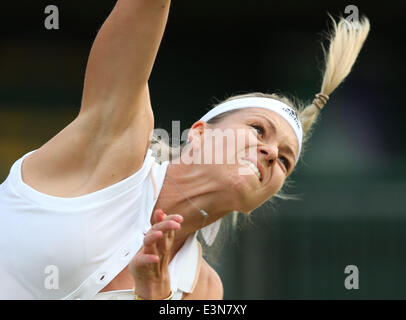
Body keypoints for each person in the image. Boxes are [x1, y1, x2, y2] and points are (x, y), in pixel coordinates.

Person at [0, 1, 370, 300]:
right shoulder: (115, 142)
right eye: (258, 129)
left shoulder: (205, 291)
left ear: (259, 201)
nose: (271, 153)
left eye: (285, 161)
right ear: (199, 133)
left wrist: (153, 299)